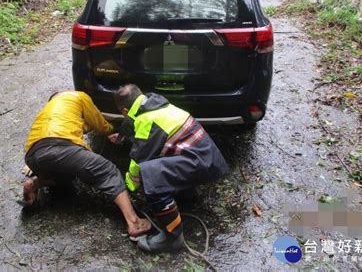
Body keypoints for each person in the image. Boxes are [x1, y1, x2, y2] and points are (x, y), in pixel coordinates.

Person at [110, 84, 229, 253]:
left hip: (199, 164)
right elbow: (135, 126)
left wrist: (129, 185)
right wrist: (122, 137)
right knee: (163, 159)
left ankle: (172, 237)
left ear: (124, 110)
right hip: (206, 158)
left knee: (151, 175)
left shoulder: (147, 120)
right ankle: (186, 194)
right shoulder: (156, 104)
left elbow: (139, 158)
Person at [21, 91, 151, 239]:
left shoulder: (46, 110)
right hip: (59, 146)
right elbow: (99, 123)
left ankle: (35, 183)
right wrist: (112, 130)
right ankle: (134, 222)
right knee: (108, 171)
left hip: (33, 156)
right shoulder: (78, 96)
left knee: (66, 177)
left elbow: (78, 126)